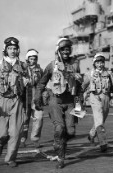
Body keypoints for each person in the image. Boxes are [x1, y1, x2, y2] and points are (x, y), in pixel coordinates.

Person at [34, 37, 82, 169]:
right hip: (55, 101)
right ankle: (61, 157)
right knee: (60, 128)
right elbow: (41, 84)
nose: (66, 51)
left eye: (68, 49)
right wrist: (37, 100)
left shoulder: (76, 64)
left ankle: (60, 143)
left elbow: (78, 88)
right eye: (63, 49)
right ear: (58, 50)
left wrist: (79, 108)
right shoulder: (51, 66)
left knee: (71, 131)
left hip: (71, 101)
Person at [0, 37, 27, 167]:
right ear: (5, 49)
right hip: (0, 100)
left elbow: (29, 83)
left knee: (16, 132)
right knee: (2, 133)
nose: (12, 51)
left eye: (14, 48)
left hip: (17, 100)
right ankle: (0, 142)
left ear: (18, 50)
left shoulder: (23, 66)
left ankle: (11, 158)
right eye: (10, 48)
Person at [81, 53, 113, 152]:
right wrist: (80, 99)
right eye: (98, 63)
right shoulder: (89, 74)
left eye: (102, 62)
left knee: (101, 120)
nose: (100, 64)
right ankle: (103, 143)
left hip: (105, 97)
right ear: (94, 63)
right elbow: (83, 86)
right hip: (95, 98)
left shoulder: (108, 73)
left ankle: (92, 134)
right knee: (99, 120)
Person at [20, 49, 44, 148]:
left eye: (34, 59)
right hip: (24, 98)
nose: (32, 61)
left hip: (36, 98)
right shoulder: (22, 69)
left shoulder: (40, 70)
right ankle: (22, 139)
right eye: (31, 59)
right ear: (27, 59)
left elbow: (43, 82)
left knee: (39, 118)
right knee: (24, 120)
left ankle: (35, 139)